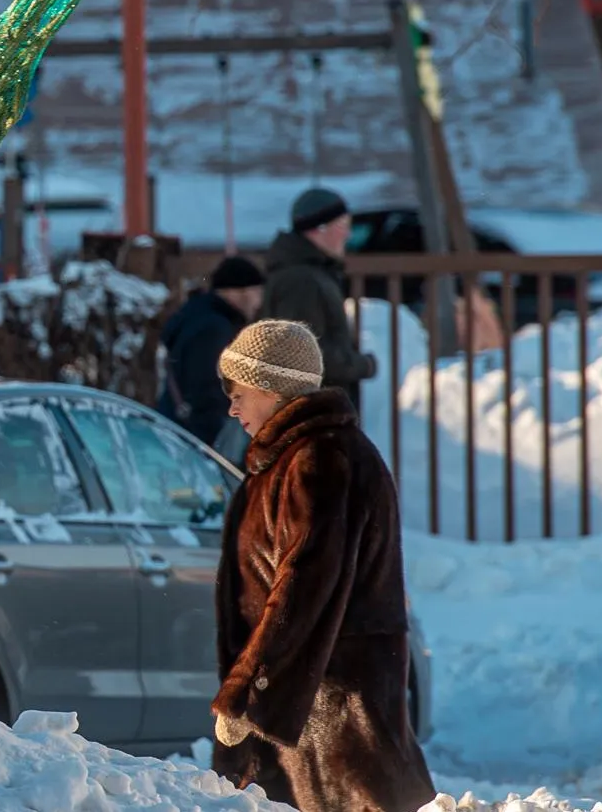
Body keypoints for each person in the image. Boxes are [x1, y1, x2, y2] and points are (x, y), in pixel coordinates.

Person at [208, 320, 434, 812]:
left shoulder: (321, 460)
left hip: (334, 703)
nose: (232, 406)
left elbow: (303, 584)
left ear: (272, 389)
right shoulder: (286, 460)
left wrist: (247, 691)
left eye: (239, 391)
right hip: (300, 702)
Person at [262, 187, 376, 409]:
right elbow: (305, 353)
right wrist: (361, 365)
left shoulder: (312, 274)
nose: (348, 234)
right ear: (318, 229)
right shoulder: (301, 280)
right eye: (343, 225)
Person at [157, 255, 265, 457]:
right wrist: (212, 451)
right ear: (239, 292)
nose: (259, 301)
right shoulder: (214, 329)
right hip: (196, 443)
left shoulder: (199, 317)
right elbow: (208, 392)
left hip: (179, 434)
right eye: (257, 291)